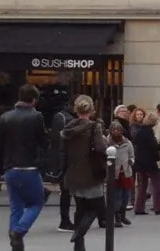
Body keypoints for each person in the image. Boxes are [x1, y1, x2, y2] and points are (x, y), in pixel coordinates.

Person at [0, 85, 49, 251]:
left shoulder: (5, 117)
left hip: (10, 168)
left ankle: (15, 243)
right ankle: (18, 232)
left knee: (16, 205)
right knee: (37, 202)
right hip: (29, 167)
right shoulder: (37, 117)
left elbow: (0, 145)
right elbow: (43, 142)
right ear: (34, 100)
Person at [62, 95, 109, 251]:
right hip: (90, 171)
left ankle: (79, 246)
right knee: (97, 207)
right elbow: (100, 147)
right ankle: (79, 232)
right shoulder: (94, 126)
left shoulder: (69, 127)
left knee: (80, 208)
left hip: (73, 171)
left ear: (76, 109)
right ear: (91, 110)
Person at [47, 98, 76, 233]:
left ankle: (65, 220)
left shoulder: (60, 117)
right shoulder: (69, 119)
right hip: (68, 161)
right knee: (67, 191)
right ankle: (65, 221)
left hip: (60, 159)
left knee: (66, 191)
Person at [132, 112, 160, 216]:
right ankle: (158, 207)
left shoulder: (139, 131)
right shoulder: (149, 132)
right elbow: (153, 147)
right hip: (149, 161)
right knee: (156, 184)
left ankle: (139, 207)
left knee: (142, 185)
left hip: (140, 160)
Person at [106, 122, 135, 227]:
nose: (116, 132)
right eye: (114, 130)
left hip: (126, 173)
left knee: (125, 196)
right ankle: (117, 217)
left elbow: (132, 156)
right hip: (114, 173)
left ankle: (123, 215)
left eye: (118, 130)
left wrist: (131, 162)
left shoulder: (128, 143)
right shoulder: (107, 142)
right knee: (116, 196)